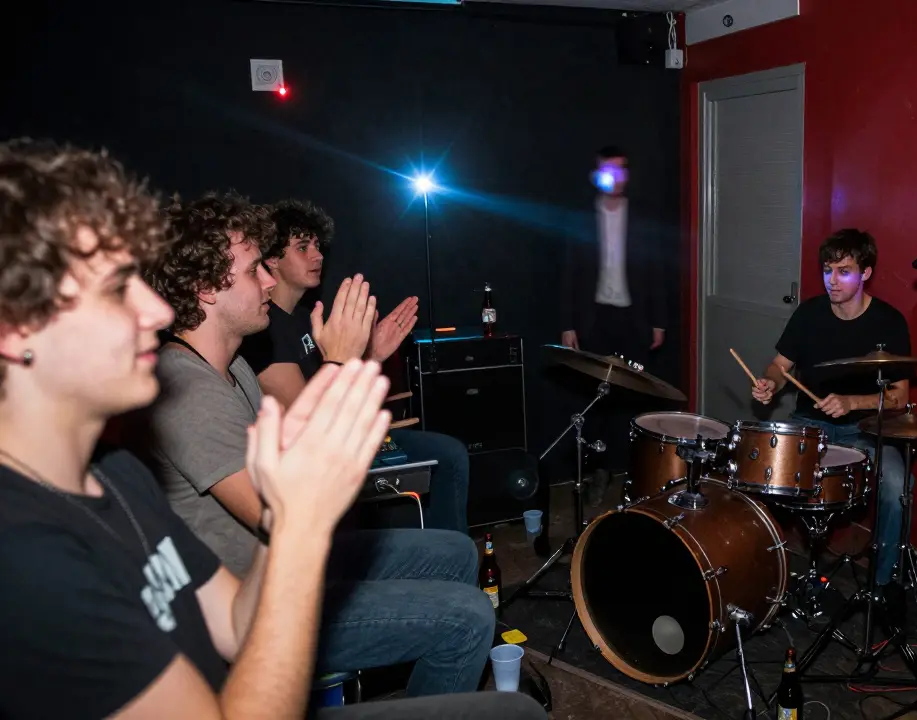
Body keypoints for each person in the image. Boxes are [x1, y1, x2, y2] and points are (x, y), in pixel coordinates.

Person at [0, 138, 545, 720]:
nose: (154, 311)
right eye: (114, 288)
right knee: (479, 643)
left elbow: (239, 620)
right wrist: (302, 506)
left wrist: (296, 512)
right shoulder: (27, 555)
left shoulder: (120, 477)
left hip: (261, 622)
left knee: (455, 560)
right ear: (16, 328)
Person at [139, 191, 495, 697]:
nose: (268, 280)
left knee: (458, 553)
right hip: (264, 609)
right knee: (469, 617)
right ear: (204, 289)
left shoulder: (234, 368)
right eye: (252, 271)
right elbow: (279, 511)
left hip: (294, 566)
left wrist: (358, 359)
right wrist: (339, 364)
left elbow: (296, 461)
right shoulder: (185, 389)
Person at [238, 198, 470, 533]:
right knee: (447, 458)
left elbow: (340, 396)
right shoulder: (264, 329)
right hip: (315, 459)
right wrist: (357, 360)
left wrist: (373, 356)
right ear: (272, 259)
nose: (317, 256)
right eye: (303, 247)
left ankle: (441, 557)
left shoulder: (305, 317)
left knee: (451, 454)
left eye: (318, 246)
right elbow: (313, 420)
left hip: (343, 438)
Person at [750, 228, 912, 587]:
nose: (832, 281)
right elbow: (779, 365)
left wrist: (853, 402)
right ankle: (762, 572)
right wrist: (770, 384)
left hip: (866, 430)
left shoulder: (889, 322)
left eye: (844, 271)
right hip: (811, 423)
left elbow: (900, 396)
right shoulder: (809, 314)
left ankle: (882, 586)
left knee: (897, 485)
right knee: (762, 467)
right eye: (827, 270)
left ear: (865, 272)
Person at [559, 145, 671, 487]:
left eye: (622, 169)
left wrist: (659, 320)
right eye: (609, 170)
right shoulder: (581, 216)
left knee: (634, 398)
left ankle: (635, 471)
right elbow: (569, 273)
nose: (616, 177)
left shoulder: (641, 215)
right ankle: (599, 471)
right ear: (597, 176)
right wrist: (567, 323)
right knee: (596, 400)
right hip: (595, 320)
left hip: (633, 320)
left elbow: (656, 270)